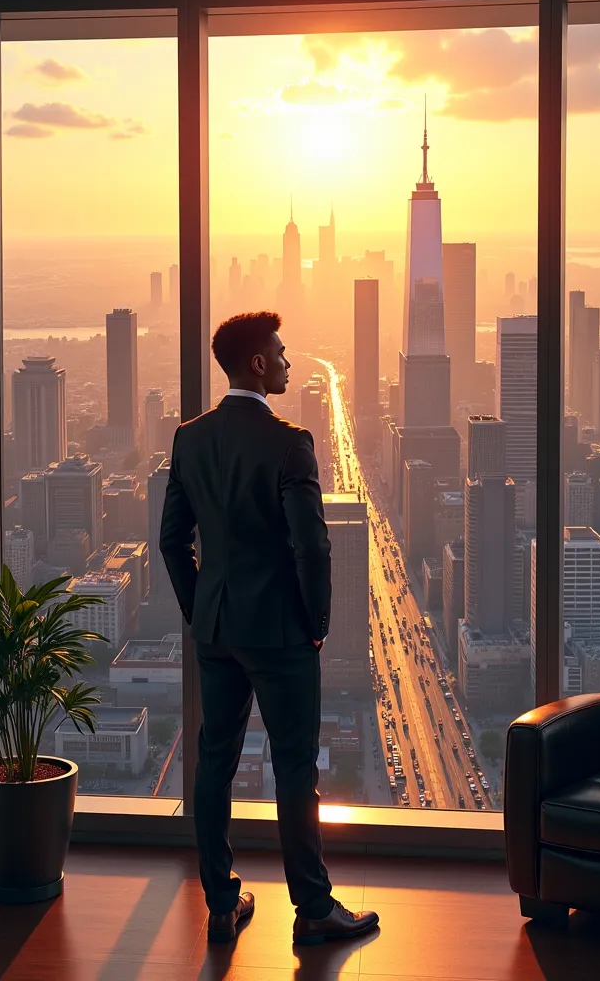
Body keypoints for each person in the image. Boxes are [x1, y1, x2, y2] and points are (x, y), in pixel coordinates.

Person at [159, 311, 379, 946]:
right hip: (281, 633)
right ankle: (312, 909)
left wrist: (202, 608)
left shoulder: (190, 438)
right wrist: (316, 623)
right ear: (256, 363)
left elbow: (172, 540)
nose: (287, 361)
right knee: (293, 770)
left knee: (213, 763)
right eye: (280, 353)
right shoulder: (291, 443)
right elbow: (313, 548)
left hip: (217, 629)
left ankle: (222, 903)